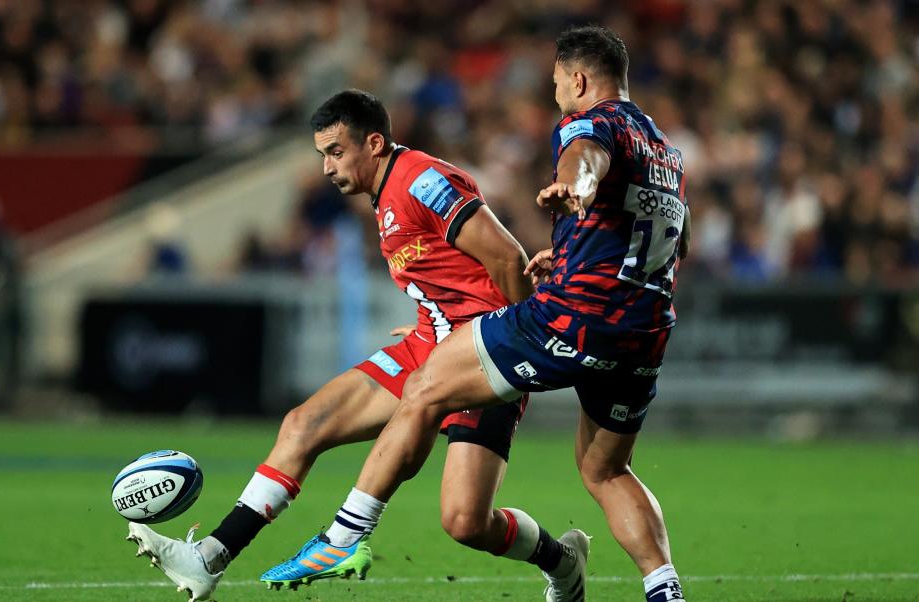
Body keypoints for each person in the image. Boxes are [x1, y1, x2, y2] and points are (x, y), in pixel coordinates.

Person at [287, 26, 692, 602]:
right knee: (605, 472)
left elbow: (586, 157)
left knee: (426, 383)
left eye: (556, 84)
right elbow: (677, 244)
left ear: (577, 79)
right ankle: (664, 590)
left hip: (573, 318)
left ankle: (346, 534)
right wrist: (576, 253)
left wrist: (573, 185)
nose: (556, 95)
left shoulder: (587, 123)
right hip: (644, 332)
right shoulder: (667, 153)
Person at [126, 90, 578, 602]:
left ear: (375, 143)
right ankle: (210, 557)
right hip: (432, 345)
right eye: (322, 154)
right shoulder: (384, 197)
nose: (325, 167)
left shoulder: (422, 181)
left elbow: (506, 257)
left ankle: (557, 561)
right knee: (304, 424)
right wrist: (432, 321)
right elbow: (454, 275)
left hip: (483, 353)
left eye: (336, 151)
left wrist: (521, 343)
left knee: (464, 521)